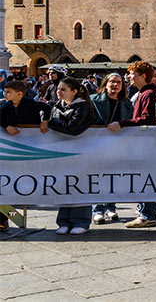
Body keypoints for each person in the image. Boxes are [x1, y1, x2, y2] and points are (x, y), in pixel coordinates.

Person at [108, 61, 156, 228]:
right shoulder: (145, 92)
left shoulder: (148, 94)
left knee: (146, 176)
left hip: (148, 143)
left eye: (132, 74)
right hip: (146, 142)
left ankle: (148, 214)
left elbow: (147, 119)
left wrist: (122, 123)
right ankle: (144, 211)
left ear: (143, 76)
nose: (129, 77)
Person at [0, 80, 51, 232]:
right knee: (5, 185)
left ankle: (13, 216)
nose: (5, 94)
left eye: (8, 92)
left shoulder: (31, 104)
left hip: (30, 147)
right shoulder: (5, 106)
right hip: (10, 151)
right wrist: (6, 126)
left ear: (19, 94)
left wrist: (44, 121)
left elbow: (46, 108)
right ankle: (4, 218)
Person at [49, 78, 96, 235]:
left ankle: (81, 220)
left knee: (80, 184)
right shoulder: (57, 105)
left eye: (63, 89)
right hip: (62, 150)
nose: (59, 91)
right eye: (59, 89)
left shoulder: (83, 106)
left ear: (74, 91)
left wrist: (50, 123)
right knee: (65, 183)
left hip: (82, 150)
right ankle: (64, 221)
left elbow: (73, 128)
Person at [90, 73, 133, 224]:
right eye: (112, 82)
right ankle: (97, 209)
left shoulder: (126, 102)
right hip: (97, 143)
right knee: (97, 176)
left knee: (113, 177)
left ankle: (111, 207)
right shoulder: (93, 100)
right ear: (106, 83)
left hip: (118, 145)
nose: (115, 85)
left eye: (119, 83)